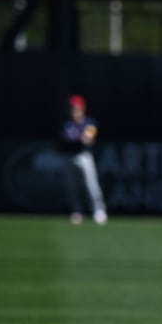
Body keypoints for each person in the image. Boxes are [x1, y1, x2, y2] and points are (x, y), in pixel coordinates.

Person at [59, 94, 107, 226]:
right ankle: (77, 212)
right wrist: (79, 139)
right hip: (70, 156)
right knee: (71, 186)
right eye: (72, 108)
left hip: (84, 156)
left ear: (82, 108)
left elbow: (88, 140)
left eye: (76, 108)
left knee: (91, 185)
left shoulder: (89, 122)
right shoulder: (67, 124)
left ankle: (99, 210)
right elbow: (65, 141)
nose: (74, 110)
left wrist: (79, 139)